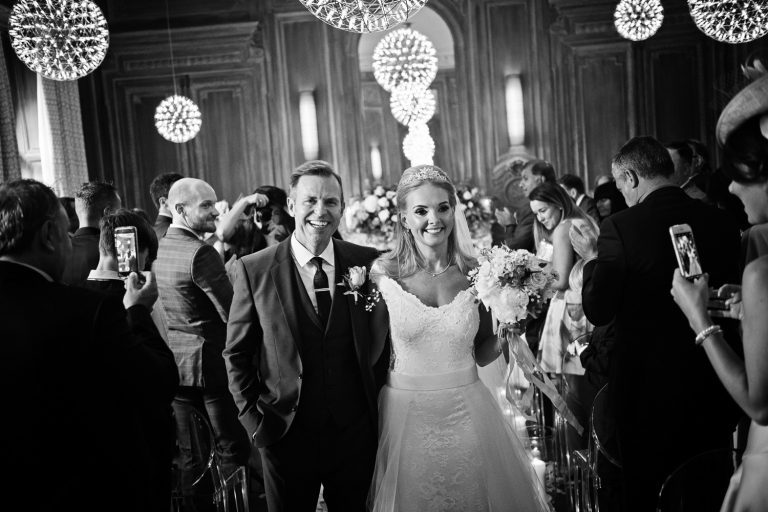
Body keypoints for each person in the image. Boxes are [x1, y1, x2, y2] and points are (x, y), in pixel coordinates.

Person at [571, 136, 742, 512]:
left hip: (646, 392)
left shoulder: (620, 227)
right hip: (715, 379)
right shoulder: (720, 219)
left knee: (645, 494)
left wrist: (593, 260)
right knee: (706, 491)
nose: (622, 194)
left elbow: (599, 310)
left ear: (631, 178)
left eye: (620, 186)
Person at [368, 165, 547, 511]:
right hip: (407, 417)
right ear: (404, 218)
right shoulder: (383, 274)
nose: (434, 219)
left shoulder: (477, 275)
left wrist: (506, 334)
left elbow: (481, 353)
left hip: (466, 413)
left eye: (442, 207)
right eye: (421, 210)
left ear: (454, 210)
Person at [0, 179, 177, 512]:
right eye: (68, 233)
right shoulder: (90, 311)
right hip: (86, 484)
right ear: (49, 235)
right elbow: (158, 381)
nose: (71, 243)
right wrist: (138, 310)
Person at [224, 161, 387, 512]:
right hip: (284, 433)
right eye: (310, 201)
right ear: (291, 206)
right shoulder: (255, 268)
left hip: (353, 434)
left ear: (342, 208)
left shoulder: (367, 262)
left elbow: (382, 341)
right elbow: (236, 353)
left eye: (331, 202)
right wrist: (254, 421)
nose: (320, 211)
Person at [671, 73, 768, 512]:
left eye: (741, 174)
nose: (729, 187)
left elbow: (759, 403)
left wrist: (701, 321)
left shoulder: (763, 274)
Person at [154, 178, 251, 498]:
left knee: (192, 454)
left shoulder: (160, 244)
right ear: (179, 210)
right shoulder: (201, 253)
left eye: (214, 203)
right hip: (210, 365)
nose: (215, 212)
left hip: (176, 362)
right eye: (206, 206)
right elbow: (232, 312)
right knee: (231, 448)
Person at [82, 208, 177, 511]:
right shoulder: (134, 301)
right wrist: (141, 311)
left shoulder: (75, 294)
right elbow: (161, 377)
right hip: (140, 444)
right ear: (141, 252)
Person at [62, 181, 122, 286]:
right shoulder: (114, 250)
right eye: (119, 211)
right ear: (107, 212)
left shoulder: (60, 252)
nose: (121, 216)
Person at [492, 159, 556, 251]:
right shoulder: (534, 207)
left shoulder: (533, 209)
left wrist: (509, 224)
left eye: (525, 178)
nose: (520, 184)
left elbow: (515, 249)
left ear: (540, 180)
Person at [149, 172, 184, 239]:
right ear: (164, 202)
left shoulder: (153, 232)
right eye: (179, 194)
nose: (186, 198)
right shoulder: (174, 233)